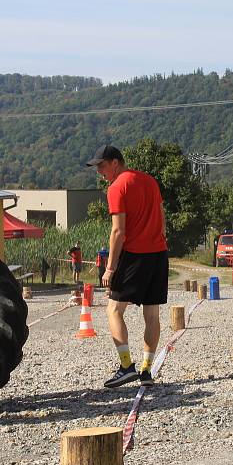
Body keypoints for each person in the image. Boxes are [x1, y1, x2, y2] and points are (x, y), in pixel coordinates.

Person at [87, 145, 168, 388]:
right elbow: (162, 219)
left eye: (101, 166)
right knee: (151, 315)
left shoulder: (116, 187)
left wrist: (110, 267)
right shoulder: (150, 181)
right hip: (159, 255)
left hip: (134, 256)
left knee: (113, 310)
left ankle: (126, 366)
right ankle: (146, 371)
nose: (99, 172)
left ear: (115, 163)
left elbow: (118, 231)